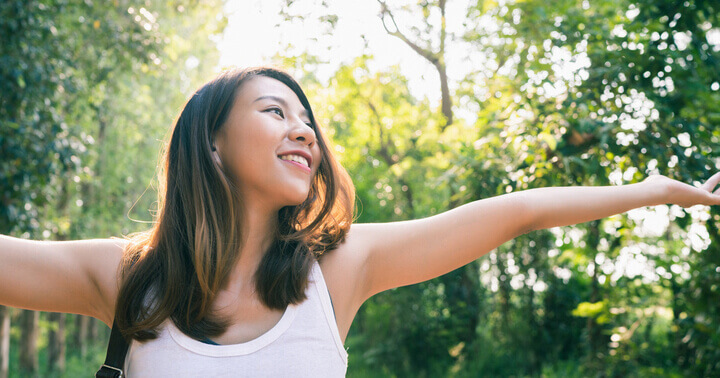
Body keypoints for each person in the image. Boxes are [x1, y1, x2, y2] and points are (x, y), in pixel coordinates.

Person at [1, 67, 719, 377]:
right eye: (275, 111)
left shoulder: (337, 270)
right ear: (212, 144)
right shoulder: (130, 276)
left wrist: (648, 192)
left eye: (308, 119)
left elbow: (515, 213)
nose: (304, 131)